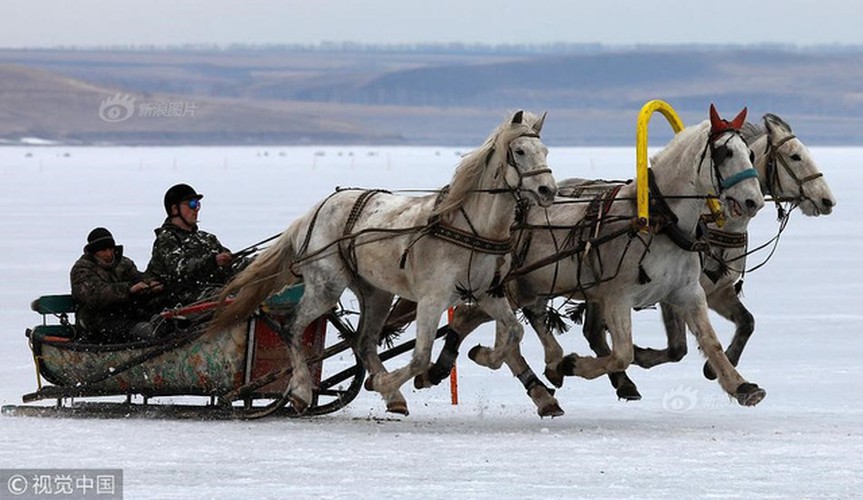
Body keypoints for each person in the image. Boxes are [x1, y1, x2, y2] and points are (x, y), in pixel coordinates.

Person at [146, 183, 240, 309]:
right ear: (174, 209)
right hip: (181, 299)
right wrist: (213, 261)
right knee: (226, 297)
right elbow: (180, 271)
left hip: (214, 290)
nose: (196, 209)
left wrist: (258, 263)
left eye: (197, 205)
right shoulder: (166, 239)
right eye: (191, 204)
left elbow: (232, 263)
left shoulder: (207, 238)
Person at [70, 227, 163, 343]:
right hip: (95, 320)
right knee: (121, 327)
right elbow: (95, 294)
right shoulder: (82, 269)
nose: (109, 254)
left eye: (110, 249)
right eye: (103, 250)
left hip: (126, 313)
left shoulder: (123, 263)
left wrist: (151, 285)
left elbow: (138, 278)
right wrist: (128, 290)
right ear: (94, 252)